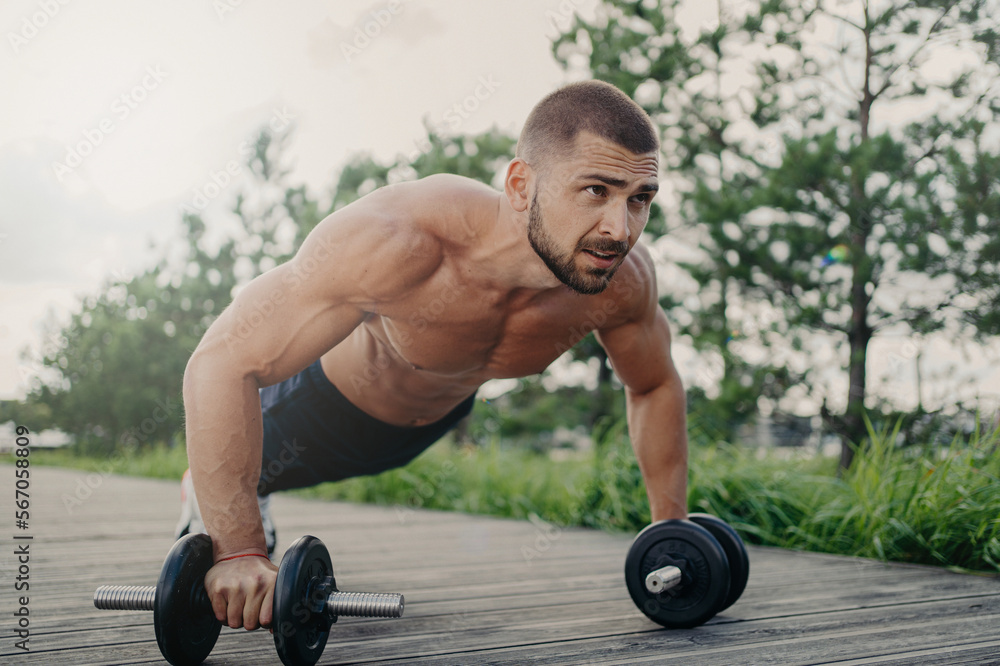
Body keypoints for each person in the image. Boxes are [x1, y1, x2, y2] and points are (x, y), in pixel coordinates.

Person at [180, 79, 689, 633]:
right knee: (241, 493)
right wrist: (238, 552)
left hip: (428, 426)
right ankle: (205, 499)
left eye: (639, 199)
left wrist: (673, 534)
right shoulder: (399, 239)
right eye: (596, 190)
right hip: (312, 413)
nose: (621, 229)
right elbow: (222, 361)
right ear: (520, 186)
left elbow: (653, 385)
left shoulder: (622, 284)